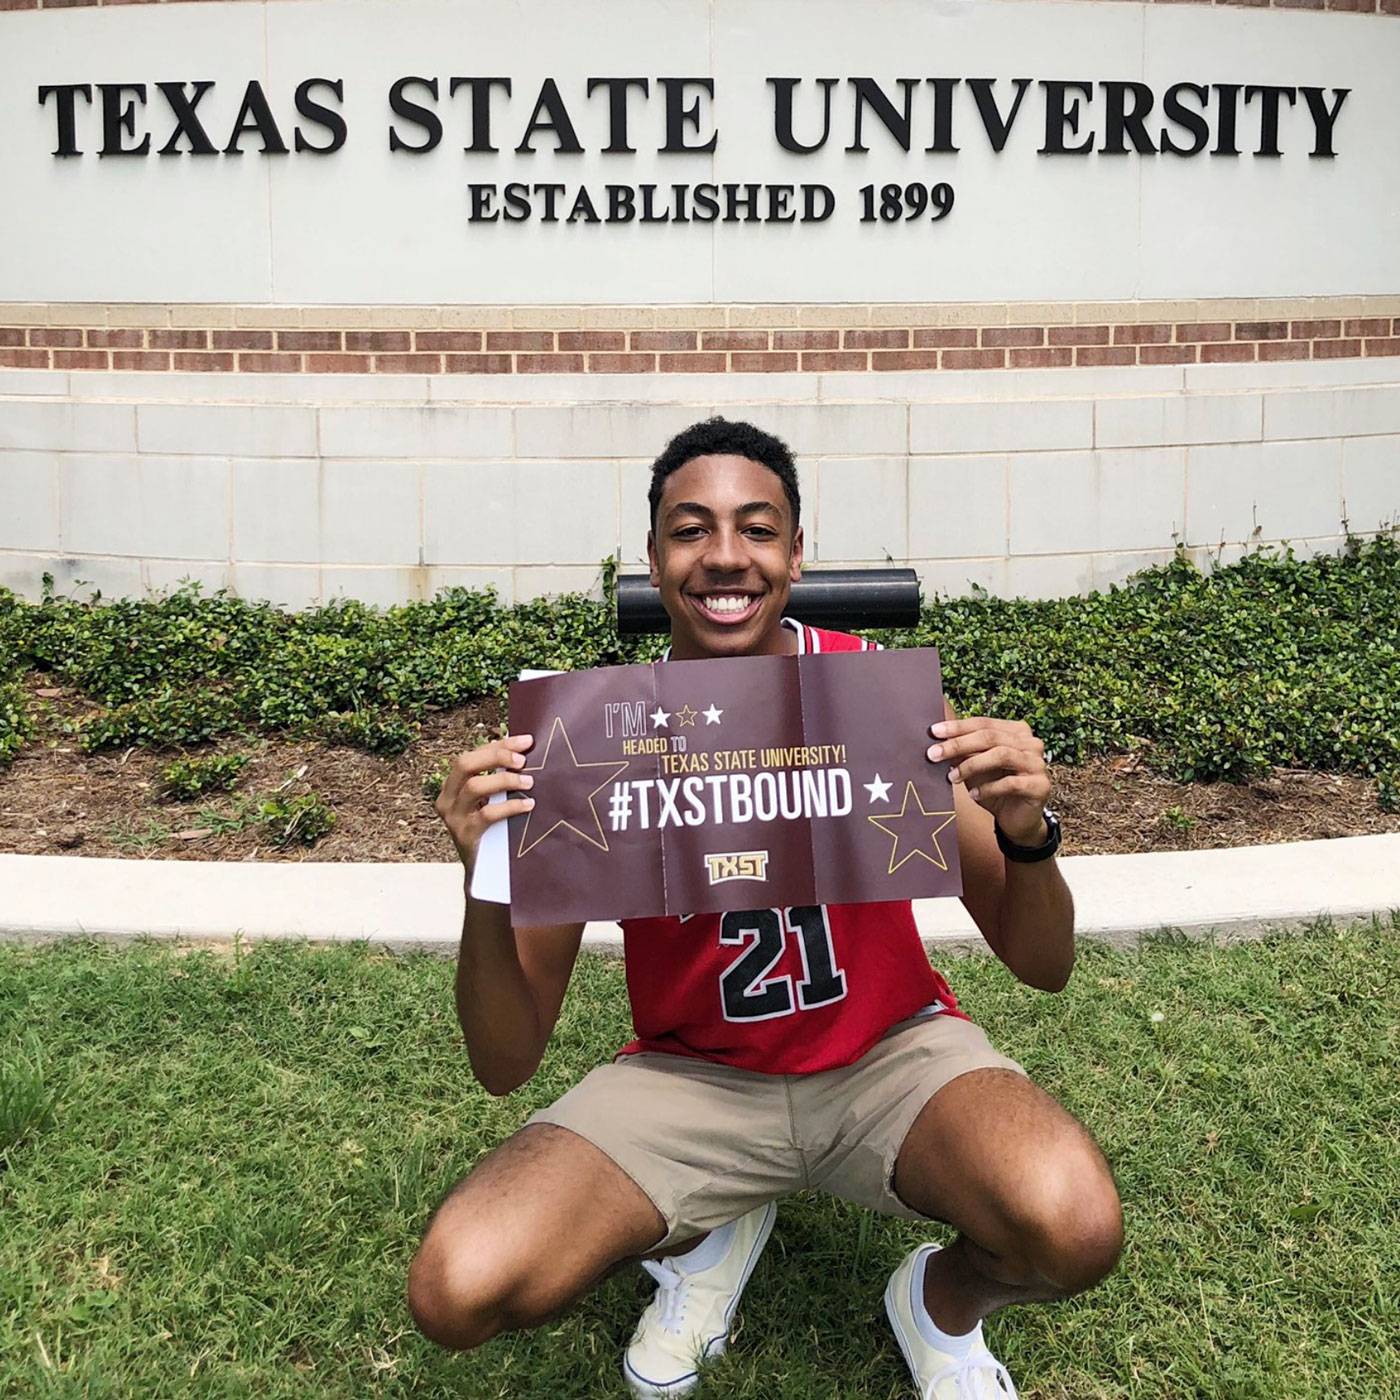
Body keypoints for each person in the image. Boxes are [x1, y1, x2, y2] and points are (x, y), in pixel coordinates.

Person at [410, 417, 1123, 1399]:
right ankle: (712, 1219)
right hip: (693, 1075)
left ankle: (935, 1302)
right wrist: (482, 878)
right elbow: (503, 1058)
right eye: (689, 529)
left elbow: (1041, 960)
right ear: (653, 559)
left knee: (1072, 1224)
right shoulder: (596, 737)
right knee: (459, 1283)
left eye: (755, 527)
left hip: (885, 1050)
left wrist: (1024, 831)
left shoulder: (869, 695)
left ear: (795, 550)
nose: (723, 556)